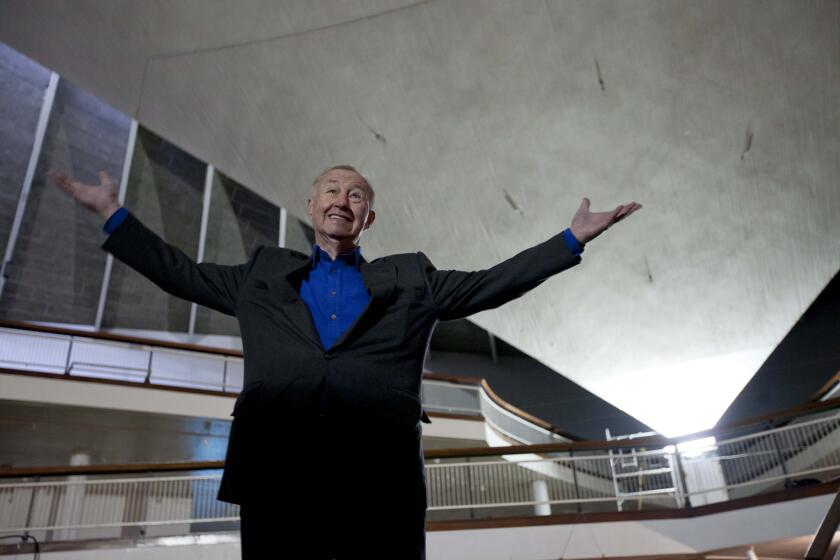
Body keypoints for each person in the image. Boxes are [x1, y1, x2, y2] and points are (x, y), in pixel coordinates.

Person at [48, 166, 640, 559]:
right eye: (332, 190)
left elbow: (491, 284)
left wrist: (569, 239)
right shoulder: (261, 274)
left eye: (356, 195)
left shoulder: (412, 278)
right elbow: (178, 272)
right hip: (277, 474)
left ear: (368, 219)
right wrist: (114, 215)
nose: (343, 199)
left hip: (378, 482)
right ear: (311, 206)